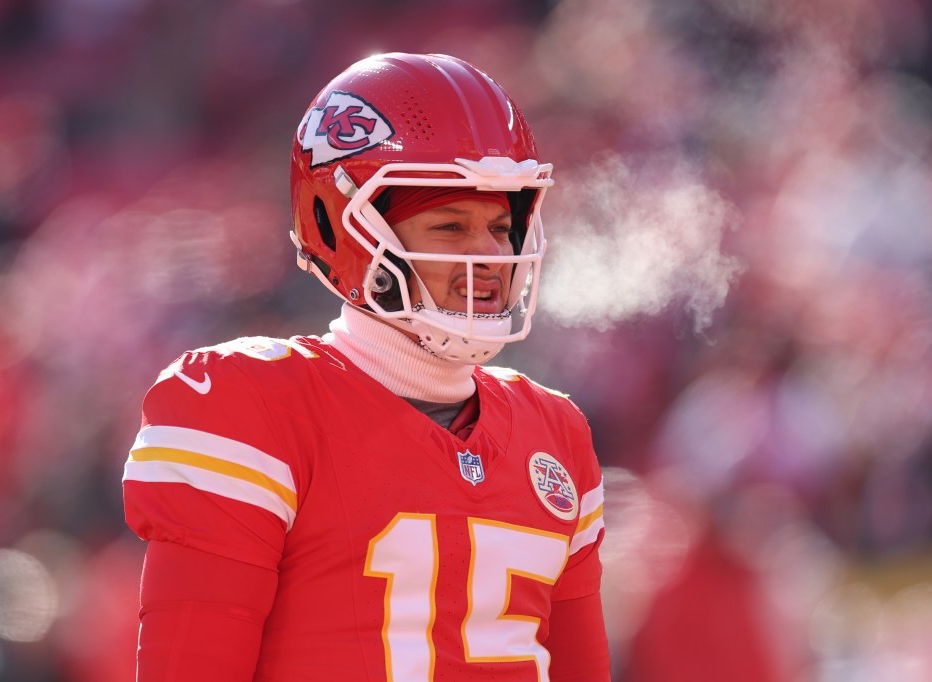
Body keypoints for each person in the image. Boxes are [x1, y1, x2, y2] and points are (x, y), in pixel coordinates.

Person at [122, 52, 610, 681]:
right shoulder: (253, 407)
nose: (491, 255)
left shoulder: (556, 432)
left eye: (500, 225)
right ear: (349, 234)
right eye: (450, 226)